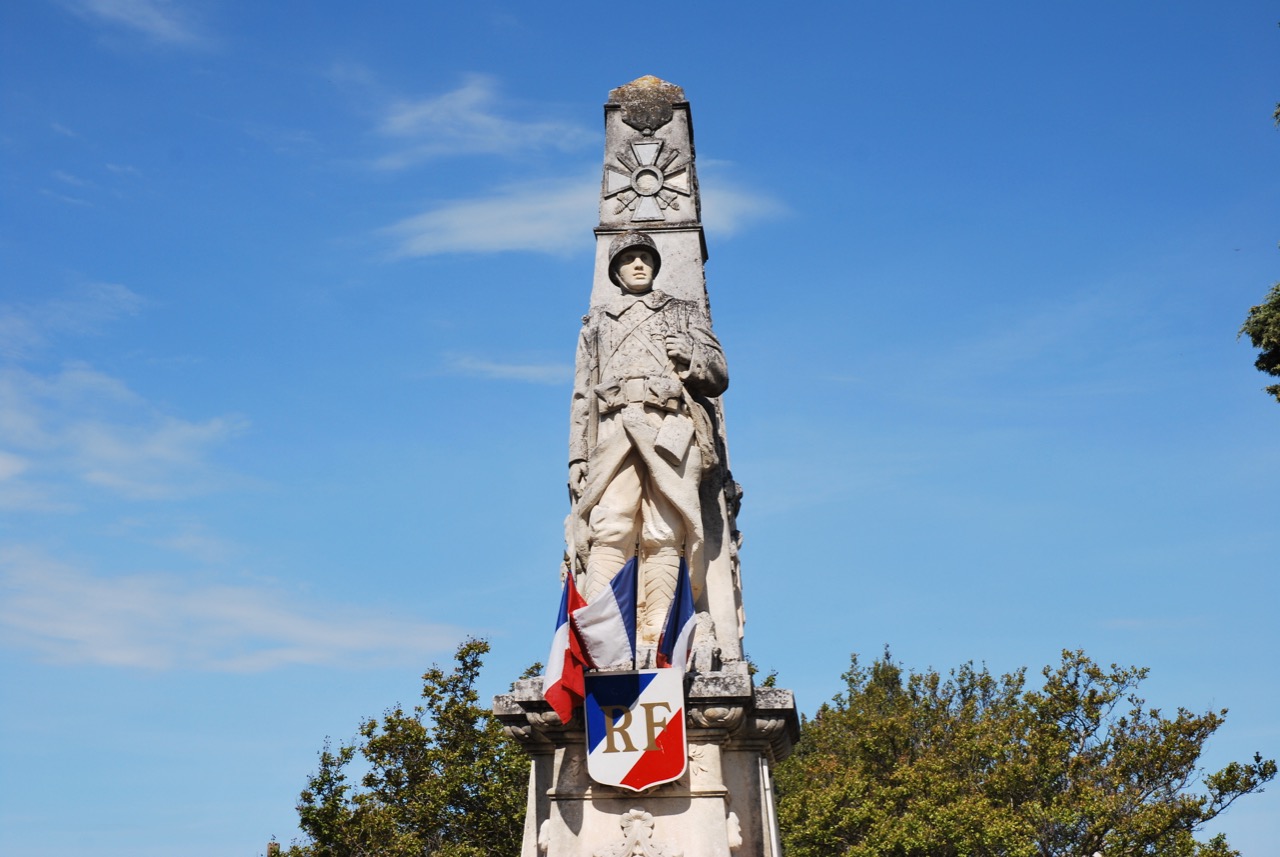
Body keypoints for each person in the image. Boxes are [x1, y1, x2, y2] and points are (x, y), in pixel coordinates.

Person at [567, 231, 728, 645]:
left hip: (668, 428)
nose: (638, 265)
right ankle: (600, 637)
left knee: (664, 530)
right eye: (629, 258)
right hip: (613, 429)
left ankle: (658, 636)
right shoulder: (598, 322)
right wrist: (577, 458)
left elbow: (718, 375)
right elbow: (583, 395)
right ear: (615, 270)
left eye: (645, 258)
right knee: (609, 527)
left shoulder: (682, 312)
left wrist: (690, 356)